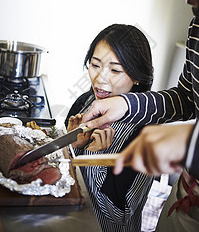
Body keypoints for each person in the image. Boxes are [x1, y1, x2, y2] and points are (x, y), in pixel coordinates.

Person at [82, 0, 199, 231]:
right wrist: (125, 103)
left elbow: (120, 216)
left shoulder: (139, 135)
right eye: (95, 65)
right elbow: (186, 97)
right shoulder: (197, 23)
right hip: (187, 198)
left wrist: (190, 141)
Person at [65, 23, 154, 232]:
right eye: (95, 65)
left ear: (137, 76)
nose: (100, 78)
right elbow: (63, 175)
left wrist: (96, 159)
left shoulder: (146, 135)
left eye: (115, 70)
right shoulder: (84, 103)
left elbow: (120, 215)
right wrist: (73, 144)